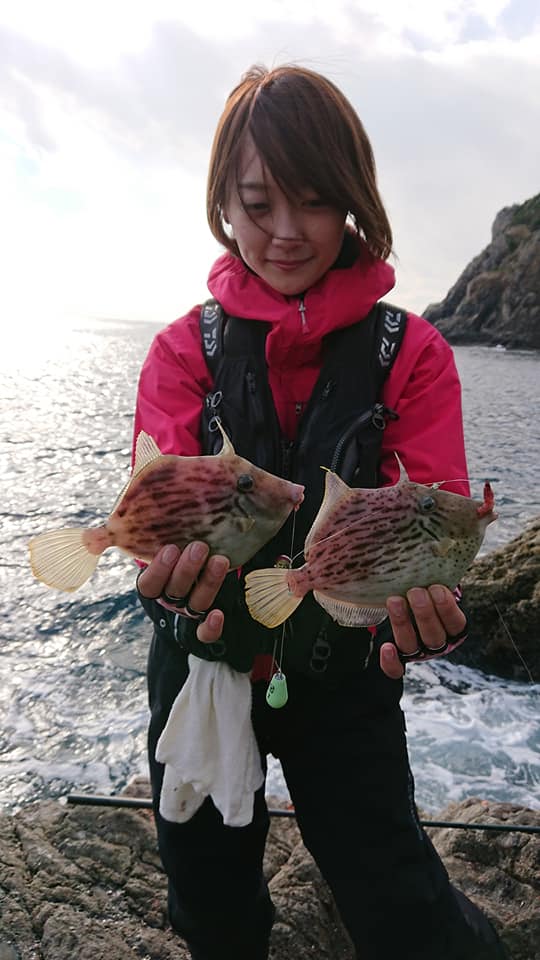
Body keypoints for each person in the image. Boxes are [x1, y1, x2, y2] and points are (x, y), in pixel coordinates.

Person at [134, 65, 508, 960]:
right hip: (200, 670)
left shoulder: (411, 353)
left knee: (396, 898)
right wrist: (165, 588)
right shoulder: (182, 350)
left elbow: (431, 530)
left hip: (347, 678)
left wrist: (426, 620)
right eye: (259, 204)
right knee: (209, 901)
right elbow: (155, 517)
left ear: (353, 200)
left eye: (314, 200)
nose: (289, 231)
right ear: (224, 200)